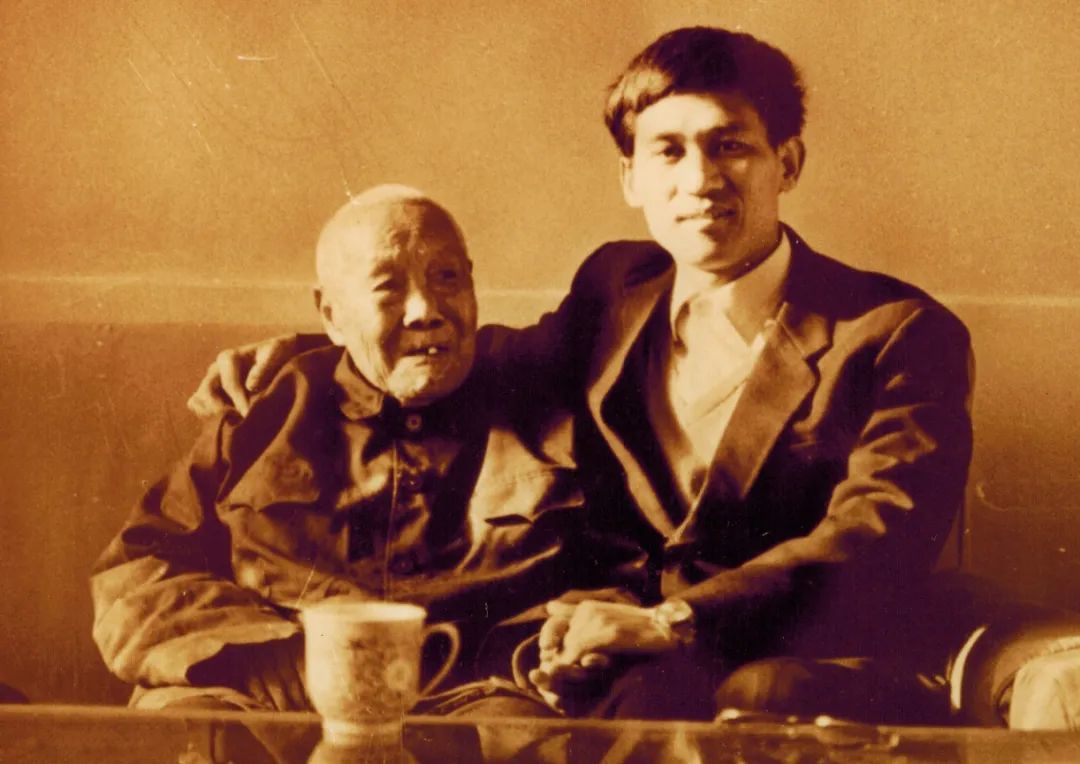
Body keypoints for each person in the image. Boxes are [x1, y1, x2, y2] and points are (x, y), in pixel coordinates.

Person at [188, 27, 974, 723]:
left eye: (730, 145)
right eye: (668, 151)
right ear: (631, 178)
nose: (701, 180)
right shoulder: (615, 290)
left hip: (797, 660)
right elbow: (483, 353)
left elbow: (877, 541)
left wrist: (673, 622)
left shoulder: (898, 334)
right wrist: (309, 354)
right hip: (618, 659)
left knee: (728, 697)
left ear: (787, 163)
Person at [91, 185, 600, 712]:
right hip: (271, 693)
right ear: (332, 314)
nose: (426, 309)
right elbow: (138, 568)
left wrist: (559, 642)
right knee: (189, 726)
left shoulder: (541, 400)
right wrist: (272, 655)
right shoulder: (266, 408)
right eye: (388, 287)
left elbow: (619, 572)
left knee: (523, 736)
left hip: (472, 699)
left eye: (447, 277)